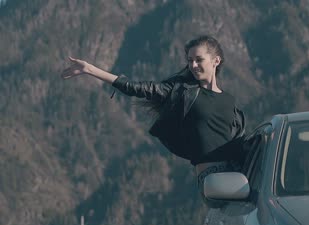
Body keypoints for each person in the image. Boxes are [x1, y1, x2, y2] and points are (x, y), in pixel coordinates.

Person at [61, 35, 246, 205]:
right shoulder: (183, 92)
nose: (193, 65)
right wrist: (90, 69)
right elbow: (136, 88)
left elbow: (240, 141)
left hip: (237, 174)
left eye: (199, 60)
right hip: (211, 178)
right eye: (190, 61)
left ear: (216, 61)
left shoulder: (230, 102)